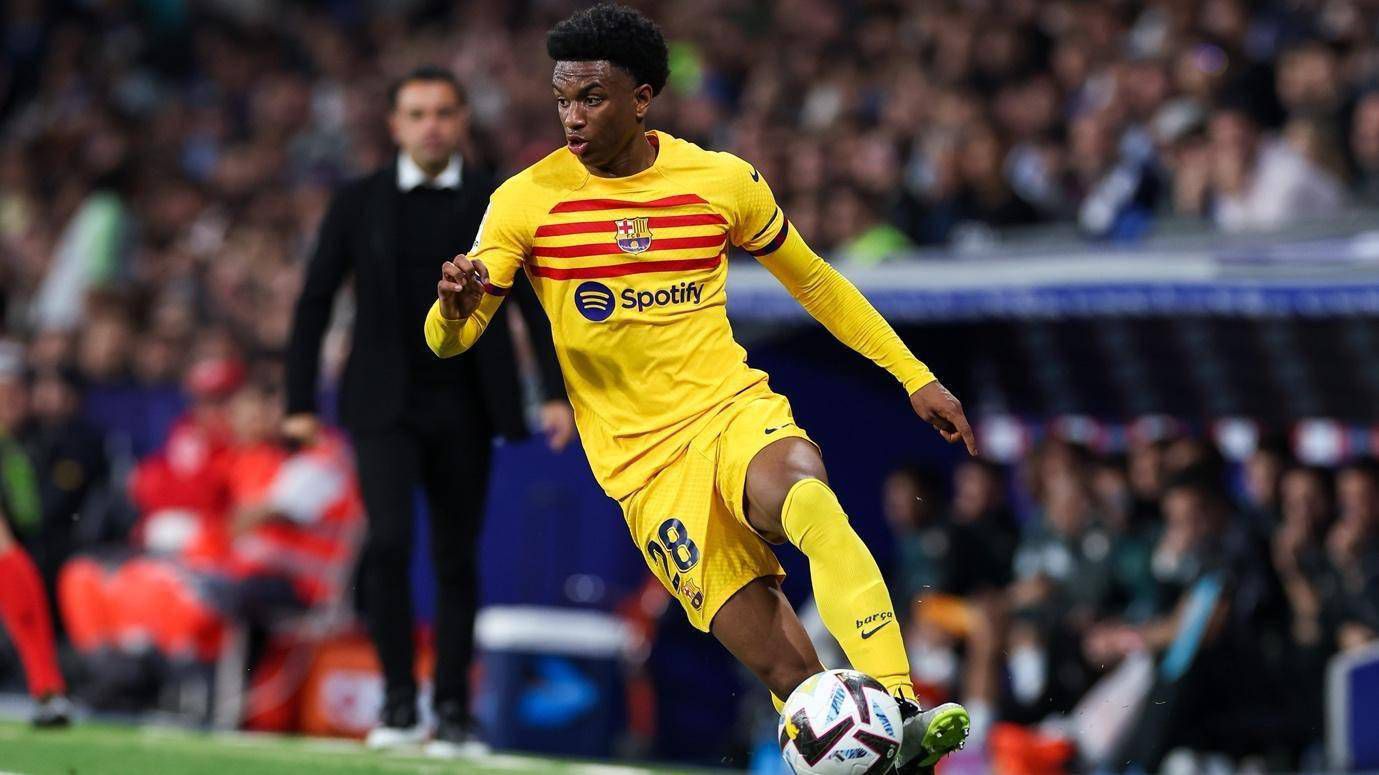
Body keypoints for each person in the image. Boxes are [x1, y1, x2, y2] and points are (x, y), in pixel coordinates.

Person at [424, 6, 974, 771]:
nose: (572, 118)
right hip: (643, 469)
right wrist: (452, 308)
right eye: (561, 99)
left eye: (591, 98)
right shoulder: (526, 201)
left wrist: (914, 375)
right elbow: (452, 338)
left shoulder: (719, 181)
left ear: (642, 97)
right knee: (790, 676)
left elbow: (814, 281)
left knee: (807, 497)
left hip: (729, 411)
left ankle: (900, 702)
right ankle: (876, 756)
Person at [283, 66, 572, 755]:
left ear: (463, 118)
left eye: (443, 111)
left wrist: (557, 393)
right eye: (416, 113)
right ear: (394, 125)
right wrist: (297, 401)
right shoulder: (357, 201)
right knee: (386, 544)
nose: (431, 124)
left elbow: (533, 301)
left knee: (454, 555)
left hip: (467, 401)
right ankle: (397, 701)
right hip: (381, 400)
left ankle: (452, 711)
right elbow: (315, 297)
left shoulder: (493, 198)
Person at [0, 365, 71, 726]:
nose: (10, 402)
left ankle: (47, 687)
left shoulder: (22, 445)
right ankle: (47, 686)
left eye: (15, 393)